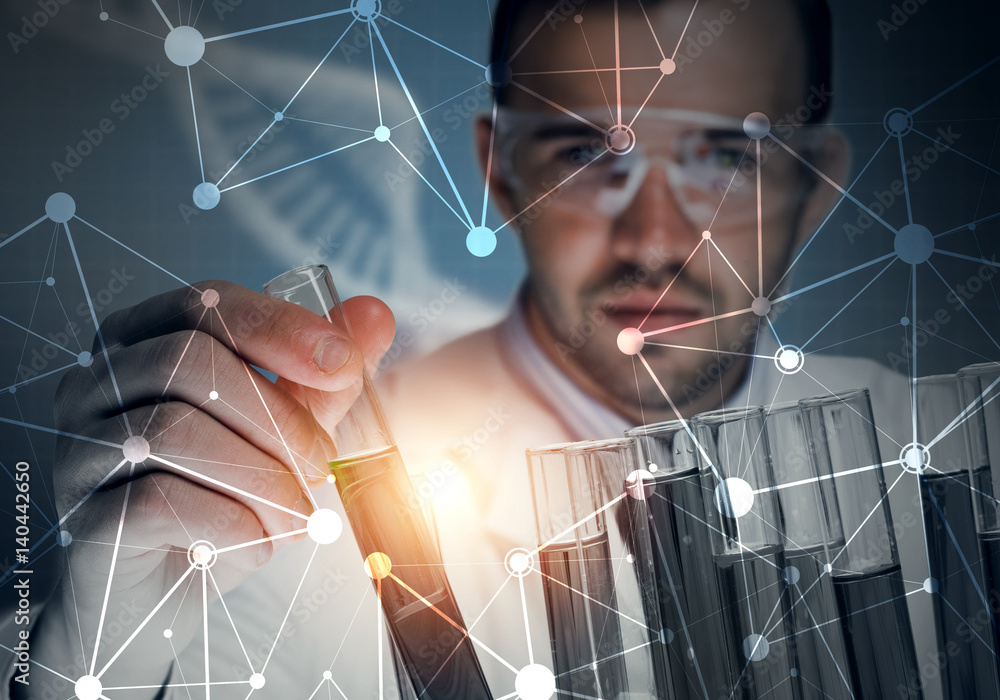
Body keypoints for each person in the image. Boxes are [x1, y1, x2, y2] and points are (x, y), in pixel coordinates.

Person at [7, 1, 930, 699]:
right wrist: (88, 650)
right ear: (498, 168)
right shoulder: (295, 506)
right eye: (586, 155)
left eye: (728, 158)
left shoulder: (948, 455)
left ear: (814, 186)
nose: (655, 236)